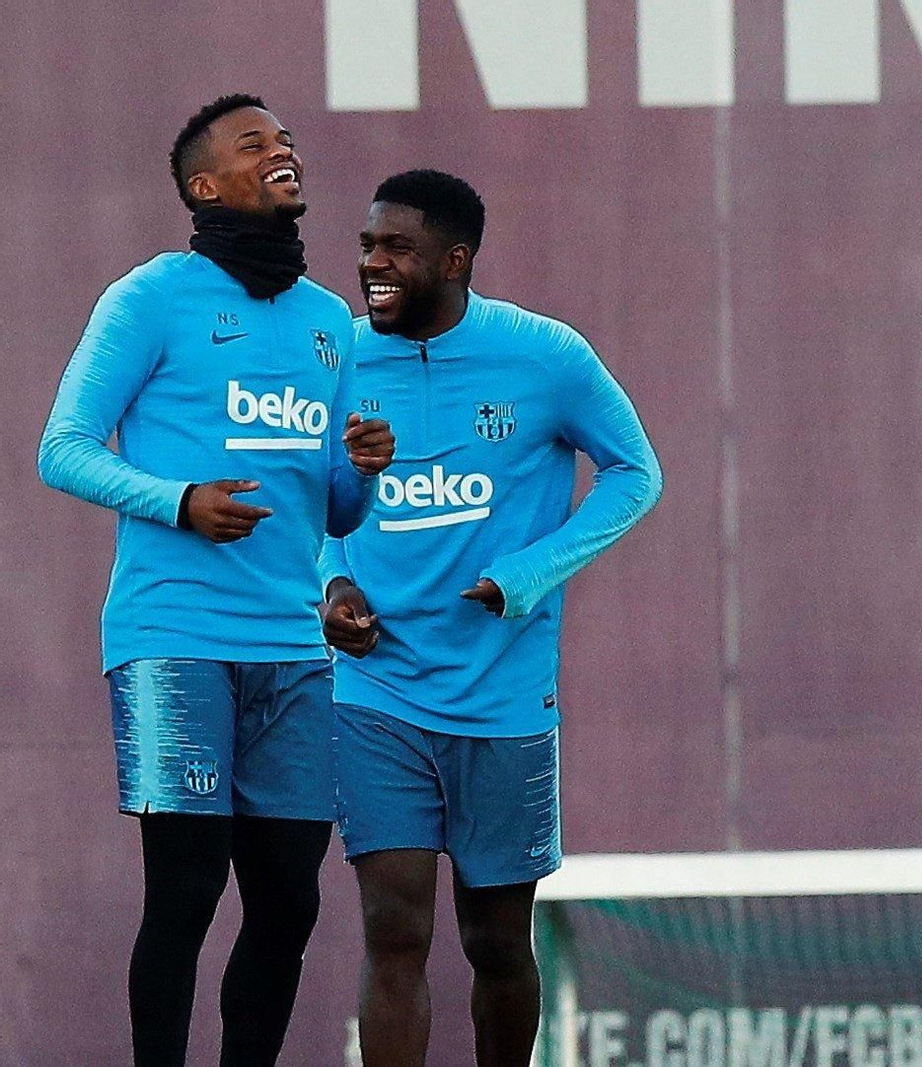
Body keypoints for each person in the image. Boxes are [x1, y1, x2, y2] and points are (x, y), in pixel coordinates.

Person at [37, 93, 395, 1066]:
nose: (283, 154)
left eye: (285, 142)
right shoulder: (150, 297)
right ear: (205, 184)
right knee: (187, 887)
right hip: (174, 634)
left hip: (290, 646)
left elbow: (335, 513)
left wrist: (360, 468)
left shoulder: (330, 323)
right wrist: (178, 500)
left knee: (289, 897)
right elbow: (60, 448)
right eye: (255, 145)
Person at [317, 169, 662, 1066]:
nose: (372, 265)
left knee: (496, 941)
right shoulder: (338, 361)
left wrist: (530, 570)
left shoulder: (546, 356)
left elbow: (636, 472)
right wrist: (331, 581)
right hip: (377, 690)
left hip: (503, 698)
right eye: (366, 247)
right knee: (394, 926)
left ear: (455, 259)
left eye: (396, 248)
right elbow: (301, 494)